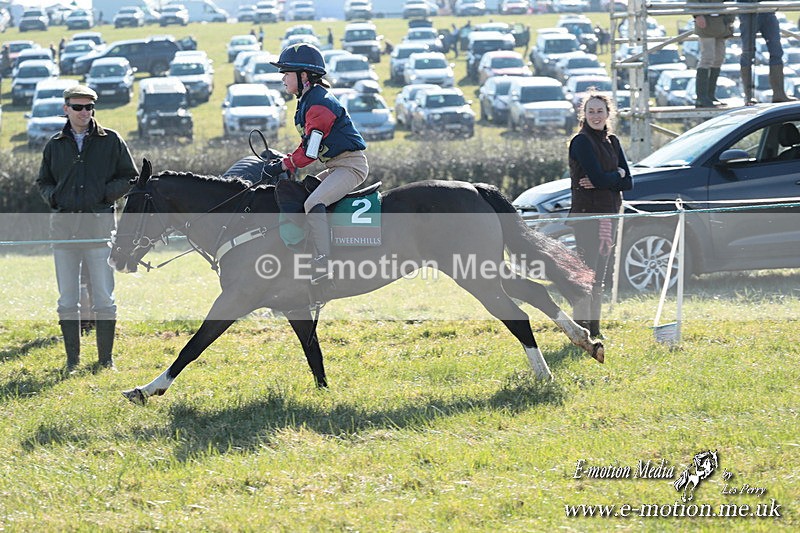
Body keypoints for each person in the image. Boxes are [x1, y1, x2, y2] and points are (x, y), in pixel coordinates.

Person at [35, 85, 137, 370]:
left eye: (89, 107)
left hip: (99, 230)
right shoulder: (54, 144)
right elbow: (43, 182)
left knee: (105, 297)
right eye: (78, 107)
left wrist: (103, 196)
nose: (84, 113)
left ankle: (106, 361)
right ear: (66, 109)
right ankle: (72, 362)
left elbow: (130, 177)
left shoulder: (112, 141)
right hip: (64, 233)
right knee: (67, 299)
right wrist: (54, 197)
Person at [265, 44, 368, 286]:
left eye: (287, 73)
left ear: (304, 76)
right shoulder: (308, 100)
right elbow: (307, 147)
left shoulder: (319, 104)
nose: (283, 78)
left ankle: (323, 263)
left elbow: (310, 153)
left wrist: (283, 165)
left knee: (313, 203)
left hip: (350, 167)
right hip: (336, 166)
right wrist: (284, 163)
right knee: (303, 196)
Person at [567, 92, 632, 338]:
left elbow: (630, 183)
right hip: (587, 216)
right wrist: (616, 176)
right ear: (584, 114)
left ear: (608, 113)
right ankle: (581, 327)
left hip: (609, 214)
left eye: (600, 111)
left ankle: (595, 328)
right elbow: (599, 177)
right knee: (587, 274)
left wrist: (610, 179)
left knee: (600, 275)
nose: (596, 116)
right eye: (591, 111)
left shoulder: (613, 141)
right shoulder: (581, 141)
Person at [738, 0, 796, 104]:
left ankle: (779, 94)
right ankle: (749, 96)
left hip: (768, 10)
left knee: (777, 51)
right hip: (748, 9)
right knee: (748, 53)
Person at [693, 2, 734, 107]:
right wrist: (697, 15)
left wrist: (730, 18)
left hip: (720, 24)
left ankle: (710, 95)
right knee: (707, 58)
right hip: (706, 23)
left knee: (719, 59)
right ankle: (701, 97)